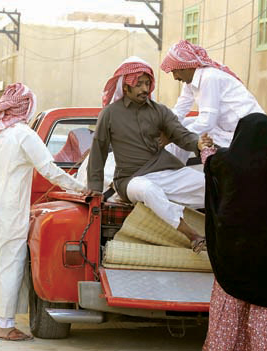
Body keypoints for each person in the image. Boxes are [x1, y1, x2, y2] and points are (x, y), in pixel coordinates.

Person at [0, 83, 88, 341]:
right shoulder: (23, 134)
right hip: (7, 210)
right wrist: (82, 189)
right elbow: (49, 169)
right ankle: (5, 325)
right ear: (26, 107)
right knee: (9, 265)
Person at [201, 113, 267, 350]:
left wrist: (205, 148)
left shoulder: (228, 161)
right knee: (265, 315)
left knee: (230, 312)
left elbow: (210, 163)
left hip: (233, 256)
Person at [88, 56, 207, 251]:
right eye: (139, 84)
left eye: (147, 83)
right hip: (130, 179)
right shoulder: (110, 114)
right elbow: (98, 150)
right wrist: (94, 186)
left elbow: (182, 135)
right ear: (126, 88)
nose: (145, 89)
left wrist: (199, 144)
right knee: (149, 191)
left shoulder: (159, 111)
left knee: (212, 186)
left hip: (165, 171)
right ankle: (193, 235)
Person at [160, 40, 264, 163]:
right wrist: (164, 129)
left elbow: (207, 121)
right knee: (183, 125)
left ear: (187, 67)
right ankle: (171, 168)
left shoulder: (209, 77)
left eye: (175, 71)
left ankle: (173, 170)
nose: (175, 77)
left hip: (249, 132)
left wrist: (174, 136)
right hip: (224, 129)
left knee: (182, 133)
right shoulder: (190, 82)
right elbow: (179, 111)